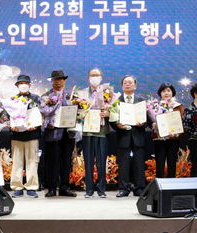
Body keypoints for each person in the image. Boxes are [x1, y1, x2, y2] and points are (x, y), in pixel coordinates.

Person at [40, 70, 76, 198]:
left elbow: (77, 111)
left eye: (61, 79)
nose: (58, 81)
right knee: (52, 162)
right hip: (53, 132)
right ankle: (51, 188)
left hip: (68, 132)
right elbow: (43, 112)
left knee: (66, 161)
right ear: (52, 81)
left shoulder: (71, 95)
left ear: (64, 81)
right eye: (55, 79)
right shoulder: (45, 96)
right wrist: (47, 123)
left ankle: (64, 188)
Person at [111, 75, 147, 198]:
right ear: (122, 86)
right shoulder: (116, 101)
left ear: (135, 86)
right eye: (125, 82)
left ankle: (139, 188)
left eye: (130, 82)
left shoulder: (141, 100)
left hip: (138, 136)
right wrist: (117, 125)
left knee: (139, 164)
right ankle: (123, 189)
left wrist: (143, 123)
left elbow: (146, 119)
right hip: (123, 136)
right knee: (123, 165)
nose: (127, 84)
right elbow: (112, 120)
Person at [80, 68, 111, 198]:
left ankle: (101, 189)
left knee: (101, 161)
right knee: (88, 161)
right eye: (92, 75)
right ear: (88, 77)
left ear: (101, 77)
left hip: (101, 130)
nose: (95, 77)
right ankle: (89, 190)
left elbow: (114, 110)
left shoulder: (108, 93)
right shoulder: (82, 93)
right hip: (87, 131)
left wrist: (108, 113)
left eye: (97, 75)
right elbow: (78, 111)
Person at [9, 75, 41, 198]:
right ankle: (17, 187)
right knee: (17, 162)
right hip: (17, 135)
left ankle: (31, 187)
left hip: (32, 134)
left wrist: (36, 125)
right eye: (20, 83)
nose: (23, 85)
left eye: (25, 83)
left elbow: (41, 114)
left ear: (29, 85)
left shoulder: (36, 98)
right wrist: (11, 125)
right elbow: (9, 115)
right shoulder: (13, 99)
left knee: (32, 162)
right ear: (17, 85)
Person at [150, 82, 184, 179]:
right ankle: (159, 184)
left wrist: (176, 133)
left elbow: (181, 122)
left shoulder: (178, 106)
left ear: (172, 93)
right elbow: (149, 121)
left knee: (172, 163)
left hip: (173, 139)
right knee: (160, 163)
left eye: (168, 91)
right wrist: (154, 125)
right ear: (160, 93)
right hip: (159, 139)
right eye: (163, 91)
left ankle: (171, 185)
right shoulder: (155, 106)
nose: (166, 93)